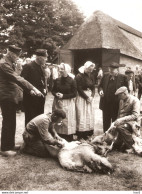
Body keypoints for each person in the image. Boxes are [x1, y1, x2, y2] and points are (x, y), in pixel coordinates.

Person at [0, 45, 43, 157]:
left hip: (11, 96)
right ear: (10, 54)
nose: (17, 58)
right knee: (8, 122)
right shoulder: (4, 63)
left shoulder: (9, 63)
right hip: (6, 96)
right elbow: (17, 79)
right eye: (16, 55)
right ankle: (4, 148)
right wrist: (32, 88)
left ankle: (10, 145)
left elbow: (17, 78)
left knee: (12, 121)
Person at [98, 62, 128, 132]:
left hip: (116, 104)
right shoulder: (105, 76)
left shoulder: (123, 77)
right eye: (110, 69)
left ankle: (114, 136)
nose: (110, 71)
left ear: (117, 70)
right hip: (106, 103)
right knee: (105, 121)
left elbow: (126, 90)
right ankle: (106, 135)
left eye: (112, 70)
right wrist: (100, 91)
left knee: (115, 121)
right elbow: (100, 86)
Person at [21, 49, 48, 126]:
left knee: (39, 118)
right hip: (30, 99)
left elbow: (42, 81)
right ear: (39, 57)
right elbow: (22, 82)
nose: (46, 59)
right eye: (45, 57)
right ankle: (28, 137)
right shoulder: (28, 67)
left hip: (40, 98)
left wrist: (45, 89)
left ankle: (37, 136)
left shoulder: (42, 67)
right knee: (30, 119)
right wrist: (29, 91)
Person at [109, 86, 140, 151]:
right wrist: (115, 122)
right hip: (124, 122)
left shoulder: (135, 100)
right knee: (114, 129)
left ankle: (132, 145)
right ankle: (122, 143)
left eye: (120, 95)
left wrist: (121, 120)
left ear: (124, 94)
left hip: (132, 123)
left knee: (120, 127)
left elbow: (135, 115)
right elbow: (119, 114)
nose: (119, 97)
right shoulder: (121, 100)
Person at [52, 63, 77, 141]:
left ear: (67, 70)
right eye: (60, 69)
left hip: (68, 103)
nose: (60, 70)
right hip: (58, 102)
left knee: (67, 119)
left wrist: (64, 96)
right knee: (58, 118)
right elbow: (53, 90)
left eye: (62, 69)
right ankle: (58, 135)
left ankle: (68, 137)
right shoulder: (57, 80)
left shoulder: (72, 81)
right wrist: (56, 94)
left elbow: (74, 93)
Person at [75, 61, 96, 140]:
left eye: (92, 70)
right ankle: (81, 135)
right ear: (85, 68)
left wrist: (92, 96)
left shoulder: (91, 76)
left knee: (89, 114)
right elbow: (79, 88)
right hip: (82, 97)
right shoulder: (79, 76)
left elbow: (93, 87)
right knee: (81, 115)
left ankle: (88, 133)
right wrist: (86, 97)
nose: (90, 71)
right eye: (89, 69)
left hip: (89, 98)